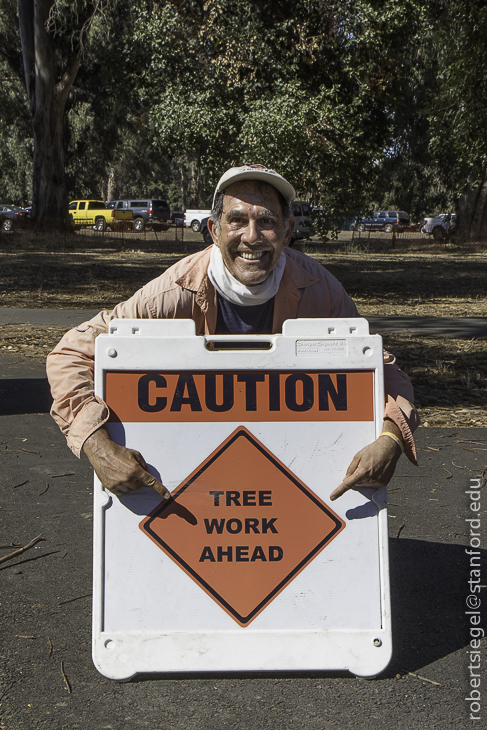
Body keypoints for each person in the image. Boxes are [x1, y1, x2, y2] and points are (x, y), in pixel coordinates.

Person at [47, 164, 418, 502]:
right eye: (237, 220)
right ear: (213, 230)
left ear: (287, 231)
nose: (251, 237)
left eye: (267, 222)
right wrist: (96, 444)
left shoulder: (320, 292)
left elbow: (384, 372)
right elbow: (70, 355)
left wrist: (390, 438)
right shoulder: (171, 295)